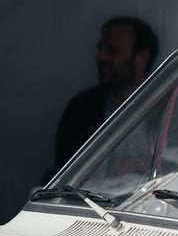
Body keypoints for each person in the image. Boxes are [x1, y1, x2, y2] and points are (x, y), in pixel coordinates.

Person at [54, 17, 159, 170]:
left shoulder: (174, 103)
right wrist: (110, 167)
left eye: (112, 50)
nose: (100, 56)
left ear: (141, 57)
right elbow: (64, 171)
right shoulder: (81, 110)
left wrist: (144, 166)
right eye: (100, 49)